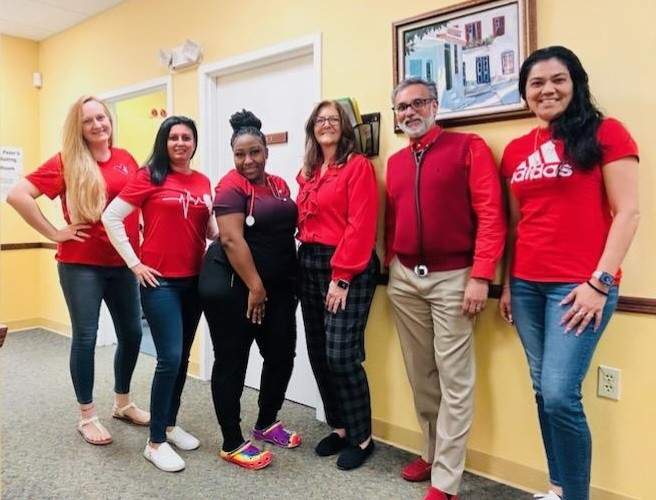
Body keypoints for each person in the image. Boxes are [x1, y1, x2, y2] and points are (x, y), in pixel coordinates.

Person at [498, 46, 639, 500]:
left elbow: (628, 213)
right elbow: (518, 225)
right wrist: (506, 283)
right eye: (536, 83)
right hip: (525, 285)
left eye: (557, 79)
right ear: (525, 94)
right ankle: (557, 488)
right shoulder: (518, 149)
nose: (547, 89)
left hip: (579, 286)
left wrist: (601, 282)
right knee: (543, 391)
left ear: (575, 82)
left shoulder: (607, 132)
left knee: (560, 394)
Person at [385, 77, 506, 500]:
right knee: (421, 375)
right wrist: (389, 264)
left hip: (455, 277)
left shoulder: (467, 147)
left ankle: (447, 480)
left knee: (456, 380)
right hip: (404, 279)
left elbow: (491, 213)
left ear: (435, 105)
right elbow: (393, 216)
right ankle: (431, 451)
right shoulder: (396, 162)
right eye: (402, 107)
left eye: (418, 103)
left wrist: (481, 274)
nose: (410, 112)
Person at [7, 96, 149, 446]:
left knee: (131, 334)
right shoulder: (66, 162)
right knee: (85, 338)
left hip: (121, 264)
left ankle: (122, 402)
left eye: (101, 117)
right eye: (89, 121)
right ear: (79, 128)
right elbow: (18, 195)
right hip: (81, 265)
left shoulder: (126, 159)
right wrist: (55, 233)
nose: (98, 124)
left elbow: (135, 204)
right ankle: (87, 416)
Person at [102, 115, 216, 472]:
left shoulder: (202, 180)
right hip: (160, 282)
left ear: (194, 143)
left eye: (187, 137)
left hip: (194, 281)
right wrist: (135, 264)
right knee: (168, 356)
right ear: (164, 142)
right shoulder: (149, 176)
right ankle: (155, 442)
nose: (181, 143)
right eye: (174, 137)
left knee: (181, 357)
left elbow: (208, 228)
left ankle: (168, 423)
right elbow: (111, 217)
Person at [198, 109, 300, 471]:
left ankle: (266, 422)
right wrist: (255, 287)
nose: (248, 160)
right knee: (233, 361)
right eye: (240, 154)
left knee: (281, 354)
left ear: (266, 151)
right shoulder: (230, 186)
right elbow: (229, 238)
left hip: (275, 288)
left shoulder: (279, 185)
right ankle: (231, 441)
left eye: (255, 151)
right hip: (231, 286)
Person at [296, 100, 379, 471]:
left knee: (341, 355)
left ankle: (363, 436)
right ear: (312, 127)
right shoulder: (309, 172)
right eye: (320, 119)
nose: (326, 124)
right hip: (309, 262)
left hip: (348, 266)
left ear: (345, 127)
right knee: (317, 351)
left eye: (333, 119)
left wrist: (341, 277)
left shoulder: (357, 167)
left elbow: (360, 226)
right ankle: (341, 428)